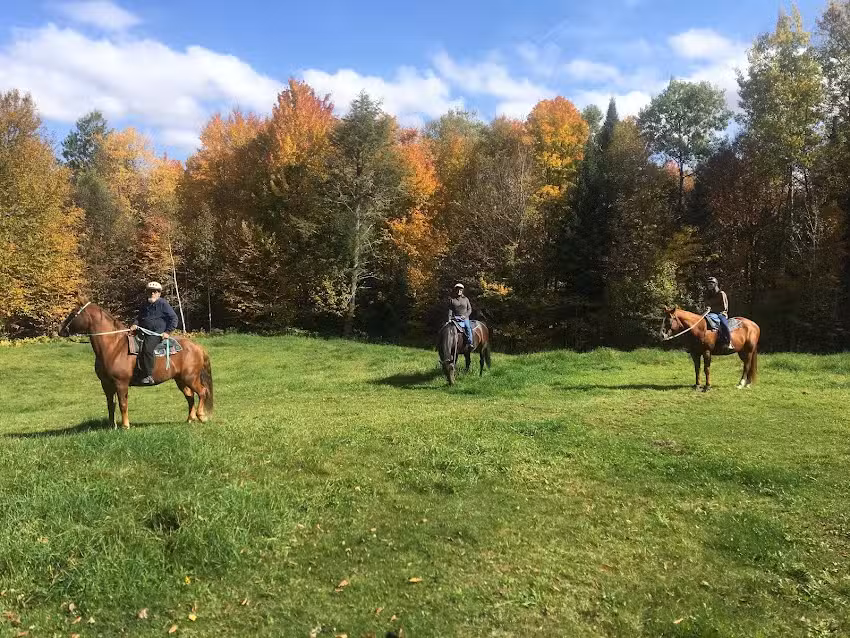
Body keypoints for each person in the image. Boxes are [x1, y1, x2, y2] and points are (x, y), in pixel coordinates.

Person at [131, 281, 178, 385]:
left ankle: (148, 375)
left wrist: (167, 332)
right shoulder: (145, 305)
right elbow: (139, 318)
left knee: (147, 349)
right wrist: (134, 324)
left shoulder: (163, 304)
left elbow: (174, 318)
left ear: (159, 293)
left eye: (155, 291)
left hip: (156, 333)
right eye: (150, 291)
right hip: (142, 332)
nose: (152, 293)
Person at [704, 277, 733, 351]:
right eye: (708, 284)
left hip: (721, 313)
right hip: (710, 313)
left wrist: (712, 309)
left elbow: (724, 307)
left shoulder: (721, 293)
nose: (709, 285)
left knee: (724, 324)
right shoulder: (708, 295)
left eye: (711, 283)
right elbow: (707, 304)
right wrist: (707, 308)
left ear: (715, 284)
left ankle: (729, 342)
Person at [448, 283, 474, 351]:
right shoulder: (452, 300)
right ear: (455, 290)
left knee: (468, 327)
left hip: (465, 318)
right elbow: (450, 310)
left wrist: (465, 316)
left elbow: (469, 309)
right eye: (457, 290)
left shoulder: (466, 299)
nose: (459, 291)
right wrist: (449, 319)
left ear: (462, 291)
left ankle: (470, 342)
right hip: (455, 319)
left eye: (460, 290)